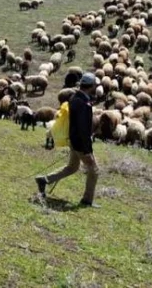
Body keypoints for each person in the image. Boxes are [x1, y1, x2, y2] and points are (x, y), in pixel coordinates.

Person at [36, 73, 99, 207]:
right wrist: (87, 149)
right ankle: (87, 200)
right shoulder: (83, 103)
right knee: (93, 170)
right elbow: (83, 128)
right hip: (80, 143)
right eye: (95, 85)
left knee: (72, 167)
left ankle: (44, 180)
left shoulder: (75, 98)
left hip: (73, 140)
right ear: (92, 85)